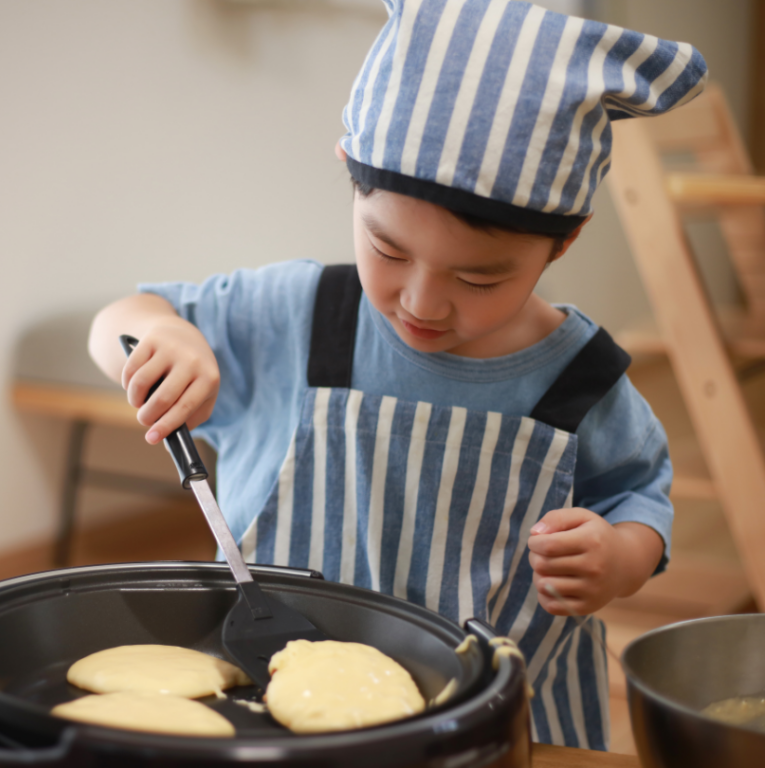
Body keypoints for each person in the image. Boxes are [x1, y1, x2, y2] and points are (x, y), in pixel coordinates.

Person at [88, 0, 707, 751]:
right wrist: (159, 337)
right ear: (350, 172)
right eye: (387, 249)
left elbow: (639, 499)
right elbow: (121, 317)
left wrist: (618, 557)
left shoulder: (581, 380)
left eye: (479, 280)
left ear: (564, 241)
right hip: (276, 699)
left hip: (504, 723)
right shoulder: (299, 316)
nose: (421, 302)